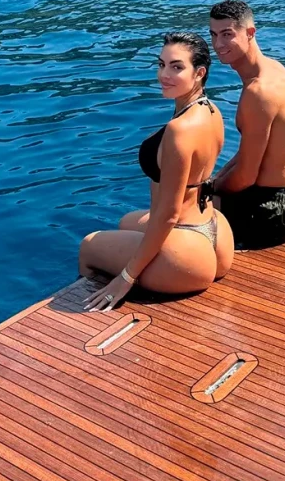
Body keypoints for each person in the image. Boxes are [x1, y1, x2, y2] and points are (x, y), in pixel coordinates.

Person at [80, 31, 234, 311]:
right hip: (216, 234)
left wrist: (126, 277)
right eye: (161, 64)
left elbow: (168, 215)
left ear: (199, 73)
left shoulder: (179, 130)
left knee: (89, 246)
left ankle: (86, 311)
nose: (164, 74)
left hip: (185, 254)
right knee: (127, 220)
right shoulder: (210, 110)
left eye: (177, 67)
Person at [208, 0, 285, 250]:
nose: (218, 44)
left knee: (177, 220)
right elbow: (250, 154)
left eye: (227, 34)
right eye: (214, 35)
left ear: (250, 33)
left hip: (269, 213)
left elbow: (245, 177)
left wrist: (208, 190)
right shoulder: (275, 69)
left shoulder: (258, 92)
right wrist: (214, 182)